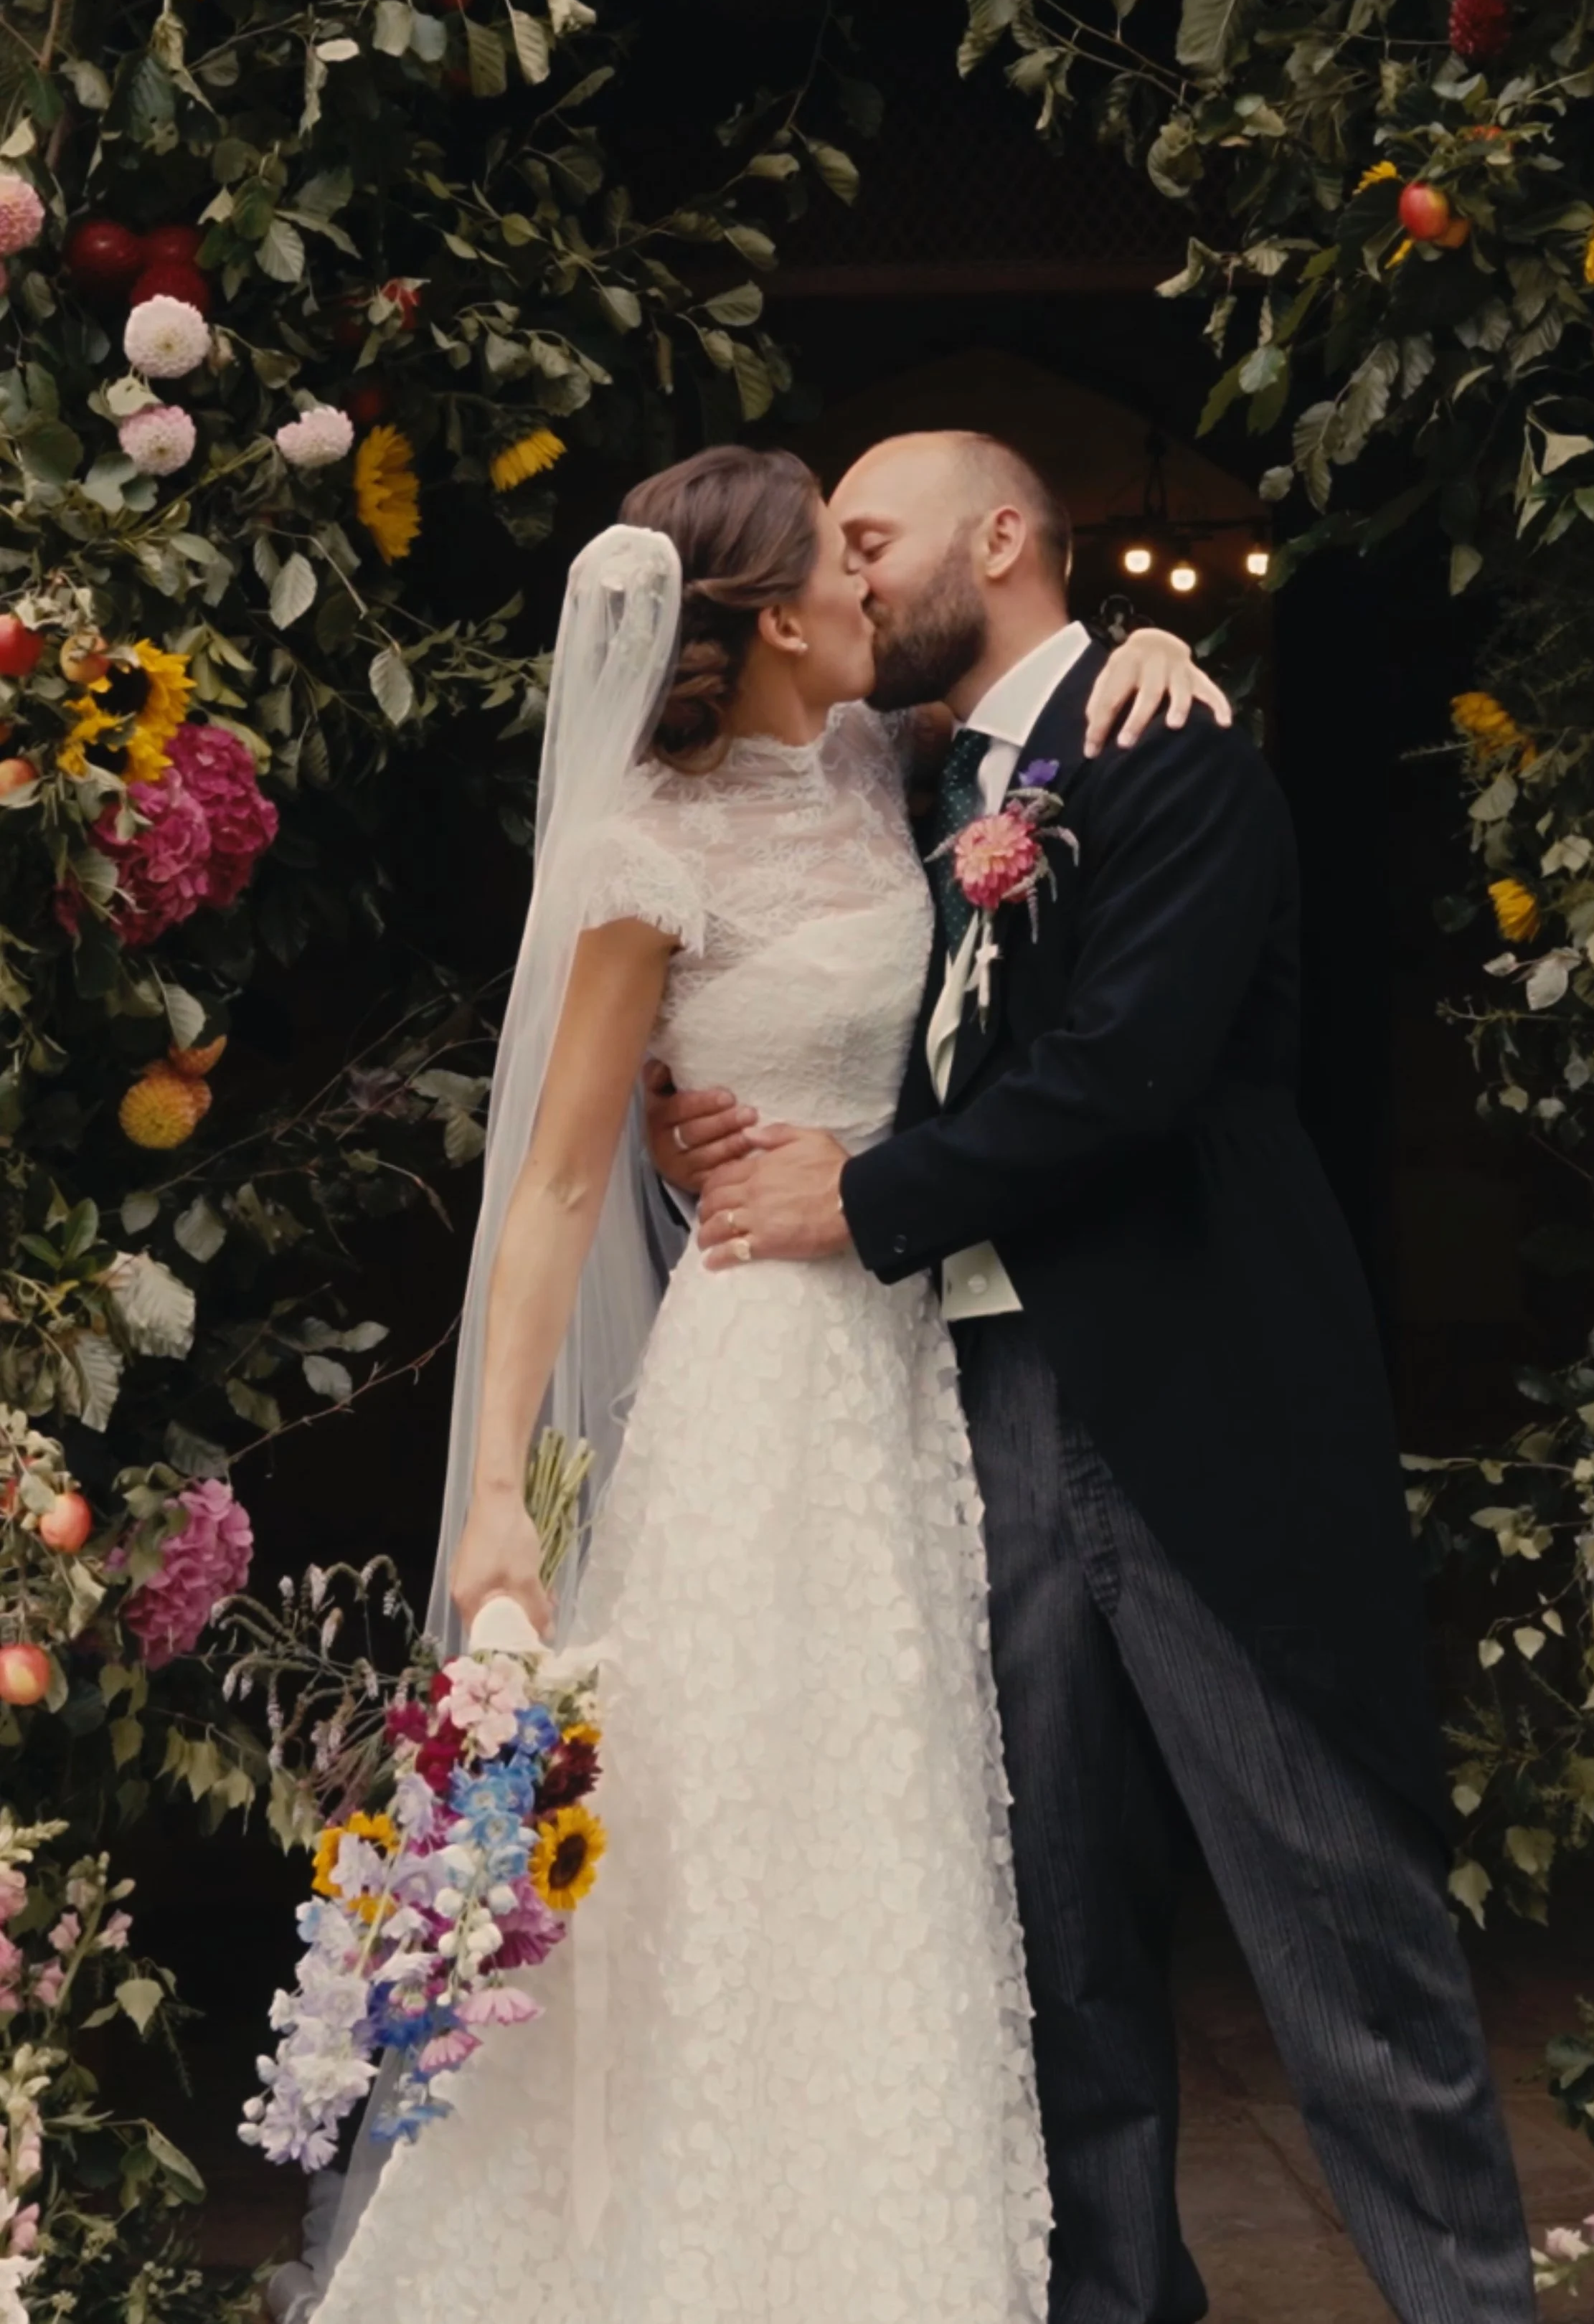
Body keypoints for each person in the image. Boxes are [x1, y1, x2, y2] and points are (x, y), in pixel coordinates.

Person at [298, 440, 1217, 2324]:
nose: (878, 587)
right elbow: (555, 1180)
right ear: (780, 614)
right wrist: (491, 1499)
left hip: (923, 1366)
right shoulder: (646, 839)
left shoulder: (893, 768)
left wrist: (1164, 657)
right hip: (756, 1377)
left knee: (908, 1827)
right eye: (844, 563)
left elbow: (1037, 746)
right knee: (729, 1834)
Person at [661, 428, 1537, 2324]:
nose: (853, 576)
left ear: (1000, 535)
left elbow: (1131, 1070)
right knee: (1050, 1932)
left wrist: (862, 1191)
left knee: (1336, 1917)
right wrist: (700, 1114)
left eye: (871, 539)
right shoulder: (897, 787)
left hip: (1188, 1406)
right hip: (962, 1416)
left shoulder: (1173, 751)